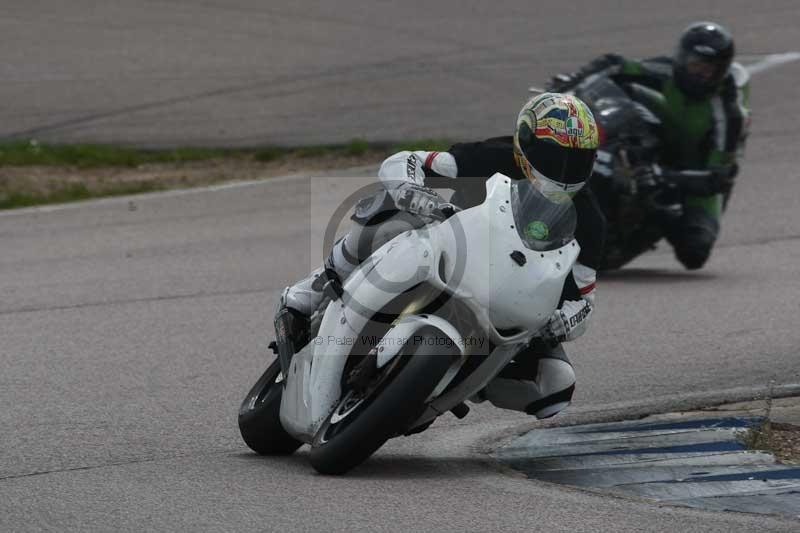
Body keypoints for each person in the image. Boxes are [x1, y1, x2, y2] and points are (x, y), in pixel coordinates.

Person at [277, 93, 605, 419]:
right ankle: (317, 285)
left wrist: (567, 320)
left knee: (556, 385)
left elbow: (584, 302)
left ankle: (461, 383)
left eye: (577, 160)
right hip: (446, 253)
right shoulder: (492, 156)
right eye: (553, 157)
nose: (563, 171)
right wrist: (412, 191)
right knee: (394, 211)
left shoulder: (590, 220)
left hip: (510, 303)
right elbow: (405, 162)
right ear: (526, 143)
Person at [548, 21, 750, 270]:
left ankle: (650, 222)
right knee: (624, 112)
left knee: (694, 252)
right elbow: (615, 63)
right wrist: (570, 84)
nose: (697, 73)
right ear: (681, 56)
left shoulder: (727, 114)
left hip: (691, 173)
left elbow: (718, 178)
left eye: (707, 70)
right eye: (693, 64)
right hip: (659, 140)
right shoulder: (666, 72)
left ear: (720, 72)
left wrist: (663, 177)